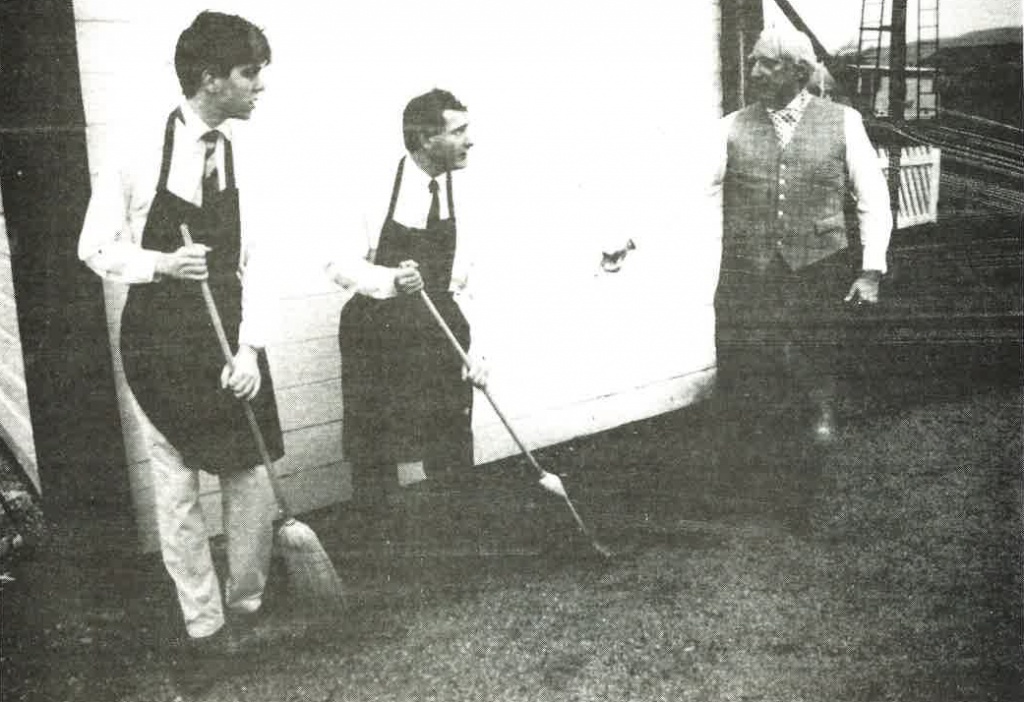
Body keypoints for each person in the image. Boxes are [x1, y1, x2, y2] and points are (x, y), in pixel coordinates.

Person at [78, 10, 283, 691]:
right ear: (209, 78)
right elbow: (94, 247)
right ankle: (205, 627)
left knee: (249, 475)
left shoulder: (251, 153)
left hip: (231, 339)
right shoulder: (138, 150)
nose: (260, 86)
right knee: (176, 490)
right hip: (160, 342)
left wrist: (250, 350)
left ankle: (246, 604)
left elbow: (263, 262)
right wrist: (161, 265)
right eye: (249, 73)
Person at [711, 26, 893, 443]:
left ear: (798, 71)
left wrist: (871, 271)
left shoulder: (844, 122)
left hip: (819, 261)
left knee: (817, 348)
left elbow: (873, 197)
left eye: (767, 64)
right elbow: (690, 190)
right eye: (753, 62)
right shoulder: (731, 127)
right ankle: (760, 437)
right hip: (753, 266)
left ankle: (821, 415)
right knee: (754, 354)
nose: (754, 72)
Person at [326, 88, 487, 546]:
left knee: (450, 438)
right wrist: (391, 280)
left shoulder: (468, 196)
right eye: (458, 131)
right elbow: (337, 264)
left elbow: (473, 282)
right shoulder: (373, 187)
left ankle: (457, 547)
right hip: (378, 333)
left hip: (440, 331)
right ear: (424, 139)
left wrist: (480, 352)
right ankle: (379, 552)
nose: (470, 140)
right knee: (374, 448)